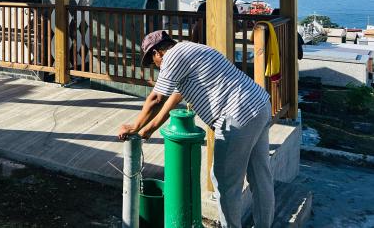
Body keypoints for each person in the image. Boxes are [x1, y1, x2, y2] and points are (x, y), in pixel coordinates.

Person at [117, 30, 274, 228]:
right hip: (259, 105)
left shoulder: (172, 57)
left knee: (225, 183)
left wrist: (134, 125)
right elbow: (174, 98)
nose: (155, 67)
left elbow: (157, 98)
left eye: (152, 62)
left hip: (237, 116)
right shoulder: (190, 50)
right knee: (260, 178)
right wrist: (149, 128)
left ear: (157, 52)